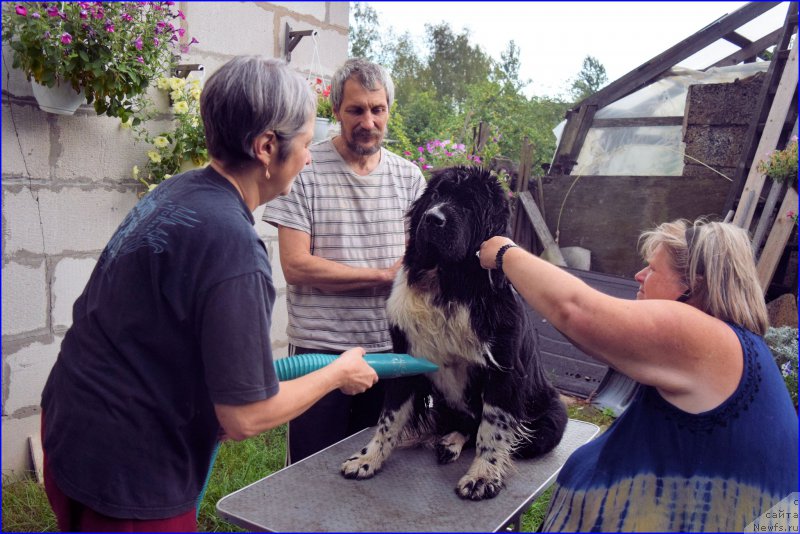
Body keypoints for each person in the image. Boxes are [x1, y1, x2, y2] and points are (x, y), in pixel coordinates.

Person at [39, 56, 378, 532]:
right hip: (131, 477)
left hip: (69, 427)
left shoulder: (175, 192)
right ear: (265, 147)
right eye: (305, 143)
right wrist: (337, 373)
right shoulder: (235, 250)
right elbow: (246, 417)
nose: (307, 157)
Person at [478, 218, 798, 532]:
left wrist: (506, 252)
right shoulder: (727, 348)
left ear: (695, 284)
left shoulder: (708, 339)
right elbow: (596, 340)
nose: (639, 275)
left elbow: (575, 311)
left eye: (653, 269)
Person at [263, 58, 426, 463]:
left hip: (389, 351)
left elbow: (420, 260)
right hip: (319, 352)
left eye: (377, 109)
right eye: (356, 110)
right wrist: (382, 277)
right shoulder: (305, 170)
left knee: (379, 468)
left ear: (389, 110)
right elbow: (296, 266)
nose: (368, 121)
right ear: (335, 110)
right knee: (308, 471)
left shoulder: (410, 178)